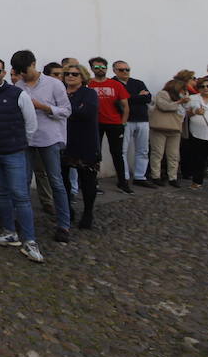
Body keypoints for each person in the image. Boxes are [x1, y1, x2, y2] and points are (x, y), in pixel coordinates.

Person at [0, 56, 44, 263]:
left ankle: (30, 240)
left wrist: (19, 144)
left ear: (4, 73)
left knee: (20, 196)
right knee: (1, 194)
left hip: (14, 152)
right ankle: (9, 232)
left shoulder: (18, 94)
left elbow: (31, 124)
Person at [13, 50, 71, 244]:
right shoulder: (18, 85)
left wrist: (43, 107)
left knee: (55, 181)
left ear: (34, 64)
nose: (24, 74)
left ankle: (64, 224)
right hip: (27, 139)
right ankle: (24, 221)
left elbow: (66, 110)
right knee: (24, 182)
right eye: (20, 71)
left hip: (49, 138)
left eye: (26, 70)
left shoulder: (54, 84)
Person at [60, 65, 101, 229]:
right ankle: (67, 209)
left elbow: (85, 113)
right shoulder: (61, 91)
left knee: (88, 180)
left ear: (82, 77)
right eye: (67, 74)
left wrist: (60, 110)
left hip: (85, 141)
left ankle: (88, 212)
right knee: (63, 180)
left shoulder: (89, 93)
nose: (70, 76)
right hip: (64, 141)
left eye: (74, 74)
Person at [88, 57, 132, 193]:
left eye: (102, 67)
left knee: (117, 154)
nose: (100, 70)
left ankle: (123, 183)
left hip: (115, 123)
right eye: (97, 67)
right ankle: (93, 182)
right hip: (95, 124)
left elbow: (125, 106)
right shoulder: (88, 84)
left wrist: (123, 123)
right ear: (92, 69)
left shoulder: (116, 84)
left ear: (107, 68)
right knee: (95, 154)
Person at [114, 61, 152, 186]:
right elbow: (119, 101)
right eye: (121, 70)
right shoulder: (113, 83)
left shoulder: (138, 82)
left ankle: (140, 176)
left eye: (127, 69)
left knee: (143, 149)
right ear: (115, 71)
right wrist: (136, 97)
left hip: (142, 119)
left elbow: (148, 98)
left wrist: (130, 97)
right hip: (125, 120)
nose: (125, 72)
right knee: (122, 150)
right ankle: (123, 176)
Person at [149, 77, 187, 187]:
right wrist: (180, 101)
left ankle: (173, 177)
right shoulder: (162, 94)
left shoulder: (183, 96)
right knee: (157, 153)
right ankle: (156, 176)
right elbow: (164, 106)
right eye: (182, 88)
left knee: (174, 155)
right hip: (160, 127)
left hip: (175, 128)